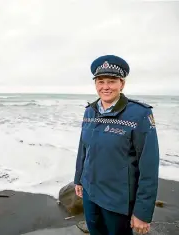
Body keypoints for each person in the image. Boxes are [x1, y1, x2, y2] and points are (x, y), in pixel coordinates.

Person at [74, 55, 160, 235]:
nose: (105, 87)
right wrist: (78, 179)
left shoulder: (139, 114)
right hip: (90, 193)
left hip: (118, 199)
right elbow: (84, 149)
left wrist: (142, 212)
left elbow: (149, 166)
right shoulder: (90, 110)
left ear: (122, 84)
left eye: (111, 81)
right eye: (100, 81)